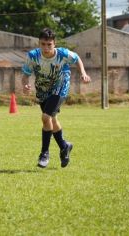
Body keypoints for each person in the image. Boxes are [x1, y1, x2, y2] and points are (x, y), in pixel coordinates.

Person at [22, 28, 91, 168]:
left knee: (45, 118)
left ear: (55, 44)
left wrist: (83, 73)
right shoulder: (33, 56)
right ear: (39, 43)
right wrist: (25, 85)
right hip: (42, 89)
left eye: (49, 44)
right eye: (43, 44)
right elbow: (25, 75)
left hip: (60, 87)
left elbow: (77, 58)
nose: (46, 48)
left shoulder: (63, 54)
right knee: (52, 119)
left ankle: (44, 154)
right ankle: (64, 146)